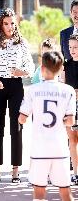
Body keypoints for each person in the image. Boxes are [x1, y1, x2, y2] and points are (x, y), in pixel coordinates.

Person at [0, 8, 35, 183]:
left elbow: (31, 68)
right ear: (0, 24)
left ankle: (15, 170)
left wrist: (22, 71)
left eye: (12, 23)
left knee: (16, 128)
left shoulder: (22, 43)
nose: (10, 26)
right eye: (6, 23)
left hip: (16, 85)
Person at [18, 51, 75, 201]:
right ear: (61, 68)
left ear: (42, 68)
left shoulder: (32, 90)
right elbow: (70, 121)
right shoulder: (68, 90)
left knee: (39, 192)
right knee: (65, 192)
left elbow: (22, 118)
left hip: (40, 148)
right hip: (59, 147)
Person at [62, 34, 78, 185]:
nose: (72, 50)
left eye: (75, 47)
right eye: (70, 47)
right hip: (71, 107)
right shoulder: (66, 65)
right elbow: (63, 85)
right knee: (72, 141)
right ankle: (76, 173)